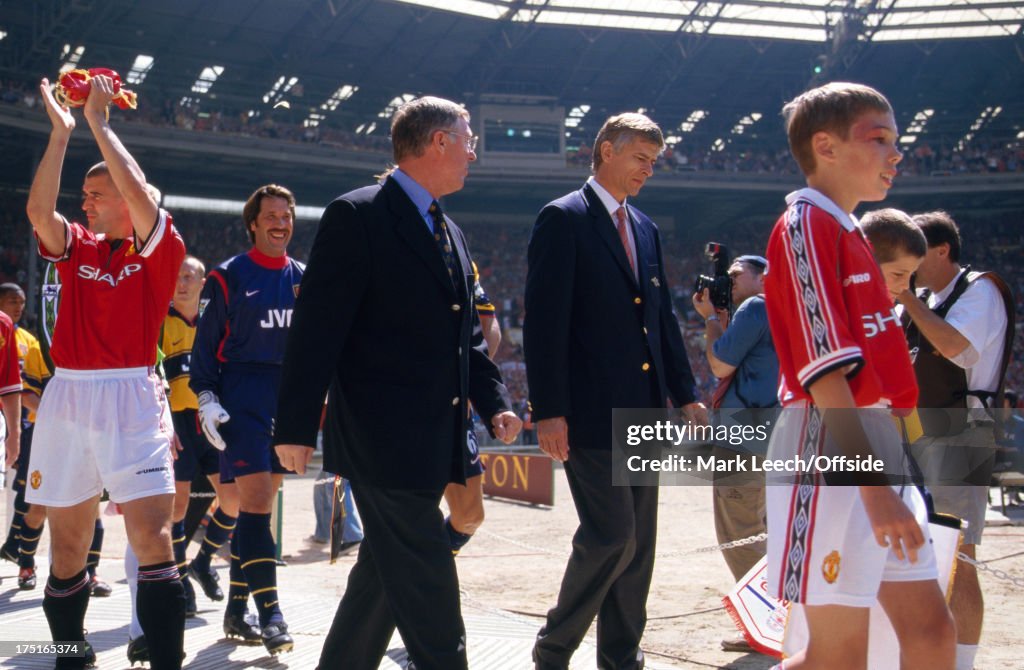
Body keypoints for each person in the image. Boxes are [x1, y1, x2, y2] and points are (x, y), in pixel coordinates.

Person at [272, 95, 521, 670]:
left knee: (381, 579)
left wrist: (494, 402)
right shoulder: (357, 215)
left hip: (435, 437)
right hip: (381, 439)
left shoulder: (449, 230)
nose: (473, 153)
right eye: (467, 139)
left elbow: (466, 338)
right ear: (438, 142)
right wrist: (294, 425)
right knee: (428, 574)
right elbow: (317, 330)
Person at [762, 82, 954, 670]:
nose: (896, 154)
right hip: (830, 447)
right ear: (826, 145)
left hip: (873, 443)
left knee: (930, 634)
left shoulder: (850, 230)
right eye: (880, 140)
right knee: (837, 656)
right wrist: (869, 487)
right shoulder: (804, 227)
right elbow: (824, 375)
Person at [524, 112, 704, 670]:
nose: (648, 171)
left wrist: (685, 391)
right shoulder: (563, 218)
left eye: (654, 162)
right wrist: (549, 410)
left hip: (644, 410)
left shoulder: (645, 227)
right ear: (606, 150)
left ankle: (622, 659)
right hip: (589, 410)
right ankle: (553, 650)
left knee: (639, 548)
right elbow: (544, 323)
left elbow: (662, 320)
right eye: (640, 159)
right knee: (611, 535)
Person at [24, 73, 186, 669]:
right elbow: (38, 209)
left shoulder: (160, 244)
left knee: (153, 539)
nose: (85, 204)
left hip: (131, 395)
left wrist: (100, 121)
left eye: (97, 195)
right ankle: (71, 654)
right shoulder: (78, 248)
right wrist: (63, 134)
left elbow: (142, 195)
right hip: (70, 396)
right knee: (65, 546)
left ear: (125, 195)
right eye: (86, 197)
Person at [897, 210, 1015, 670]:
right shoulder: (921, 297)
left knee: (958, 553)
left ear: (942, 250)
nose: (904, 264)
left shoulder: (980, 290)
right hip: (913, 431)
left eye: (912, 254)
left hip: (961, 433)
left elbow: (954, 347)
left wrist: (904, 296)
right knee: (916, 550)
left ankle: (962, 663)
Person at [189, 184, 304, 655]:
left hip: (287, 396)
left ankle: (237, 609)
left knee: (262, 505)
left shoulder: (304, 278)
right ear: (253, 223)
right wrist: (206, 395)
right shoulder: (227, 276)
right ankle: (272, 614)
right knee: (255, 503)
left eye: (287, 215)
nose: (280, 222)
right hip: (242, 394)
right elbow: (205, 343)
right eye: (271, 215)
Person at [692, 254, 779, 653]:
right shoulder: (782, 307)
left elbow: (720, 365)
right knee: (765, 531)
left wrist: (711, 320)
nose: (729, 282)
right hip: (775, 435)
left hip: (745, 439)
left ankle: (769, 625)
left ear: (762, 277)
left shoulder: (758, 305)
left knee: (739, 533)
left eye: (735, 275)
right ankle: (777, 622)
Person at [160, 255, 242, 623]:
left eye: (188, 276)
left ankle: (204, 560)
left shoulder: (216, 320)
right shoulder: (158, 320)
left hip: (211, 423)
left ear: (203, 281)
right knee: (176, 508)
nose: (181, 282)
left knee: (234, 502)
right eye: (176, 276)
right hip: (177, 423)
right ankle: (180, 580)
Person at [443, 262, 502, 554]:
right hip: (401, 401)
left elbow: (489, 327)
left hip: (454, 404)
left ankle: (427, 574)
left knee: (469, 516)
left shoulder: (453, 250)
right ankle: (420, 591)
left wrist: (470, 384)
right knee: (407, 515)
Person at [0, 282, 47, 590]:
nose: (19, 306)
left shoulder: (28, 340)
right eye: (12, 300)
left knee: (27, 488)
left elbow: (16, 386)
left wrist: (16, 428)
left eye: (21, 301)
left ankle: (15, 544)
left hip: (22, 423)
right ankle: (13, 544)